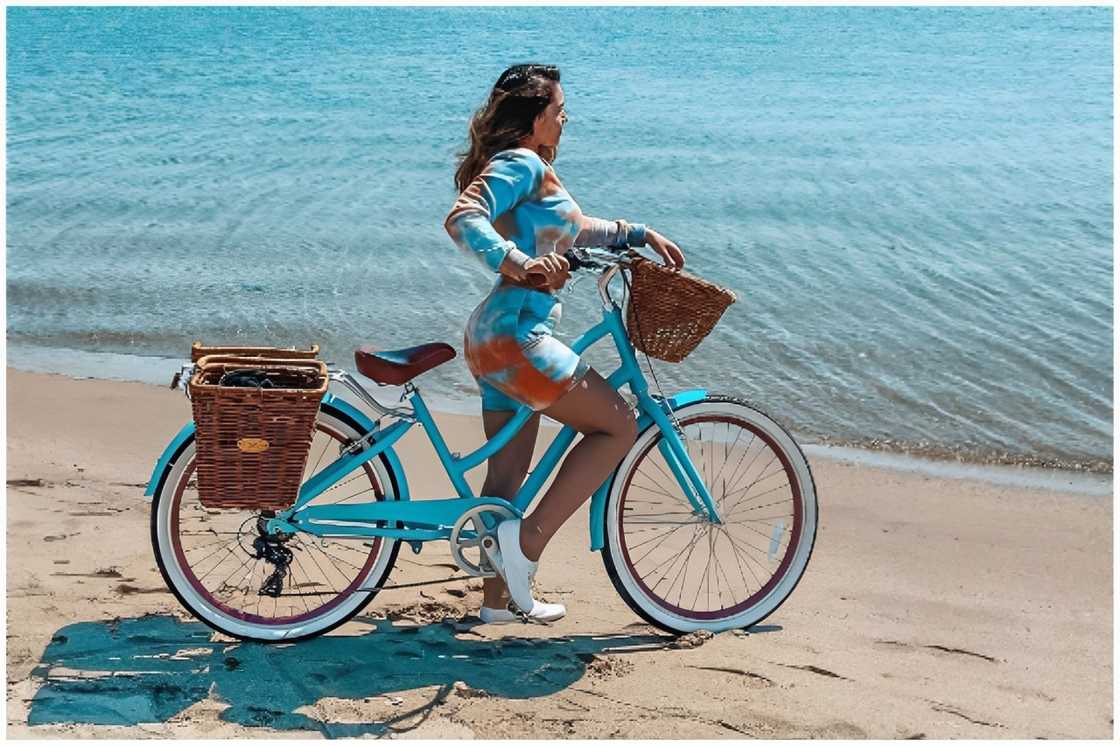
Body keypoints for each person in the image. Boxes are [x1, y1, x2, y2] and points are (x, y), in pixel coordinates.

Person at [444, 63, 685, 624]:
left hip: (493, 339)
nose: (565, 119)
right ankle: (525, 547)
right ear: (533, 118)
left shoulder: (531, 171)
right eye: (557, 110)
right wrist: (521, 263)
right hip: (517, 339)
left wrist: (638, 233)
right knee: (619, 425)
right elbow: (463, 218)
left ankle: (496, 602)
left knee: (505, 477)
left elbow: (574, 228)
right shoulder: (520, 163)